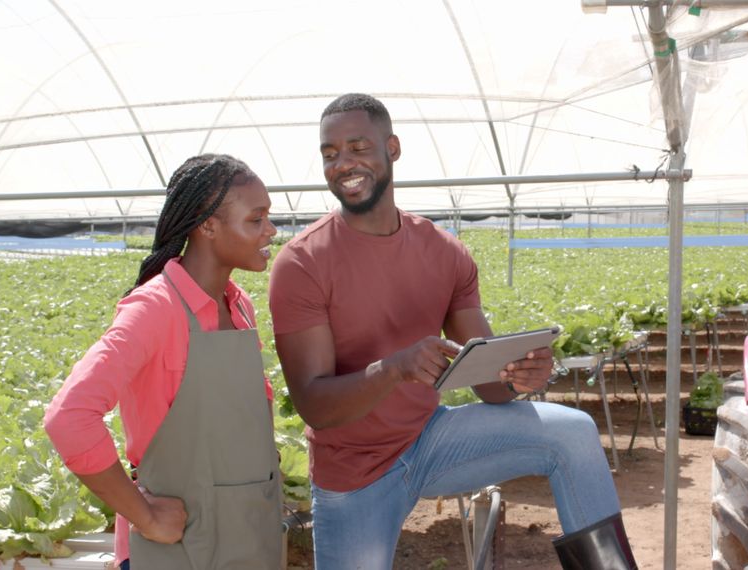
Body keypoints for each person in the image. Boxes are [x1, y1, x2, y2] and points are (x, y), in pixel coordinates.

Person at [269, 94, 638, 569]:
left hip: (430, 440)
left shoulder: (444, 253)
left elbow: (489, 384)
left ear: (392, 149)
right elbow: (315, 408)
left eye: (358, 148)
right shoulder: (302, 262)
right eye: (330, 153)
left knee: (571, 433)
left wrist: (518, 376)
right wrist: (393, 369)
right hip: (353, 473)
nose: (343, 163)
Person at [44, 154, 282, 570]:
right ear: (208, 226)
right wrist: (146, 515)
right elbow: (69, 418)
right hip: (179, 551)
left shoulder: (239, 303)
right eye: (256, 219)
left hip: (247, 536)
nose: (271, 230)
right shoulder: (154, 310)